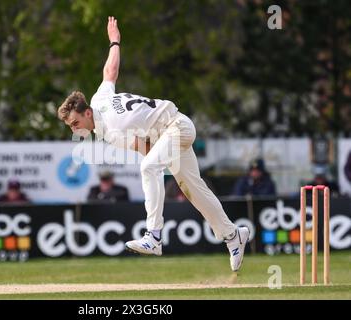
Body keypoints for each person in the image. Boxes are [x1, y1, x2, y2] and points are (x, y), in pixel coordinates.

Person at [57, 17, 249, 272]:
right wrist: (114, 41)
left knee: (148, 167)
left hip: (176, 128)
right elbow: (109, 72)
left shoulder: (111, 131)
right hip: (171, 134)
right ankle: (233, 235)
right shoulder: (99, 98)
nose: (74, 128)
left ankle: (154, 236)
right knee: (195, 191)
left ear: (87, 113)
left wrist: (160, 161)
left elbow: (145, 150)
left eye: (74, 122)